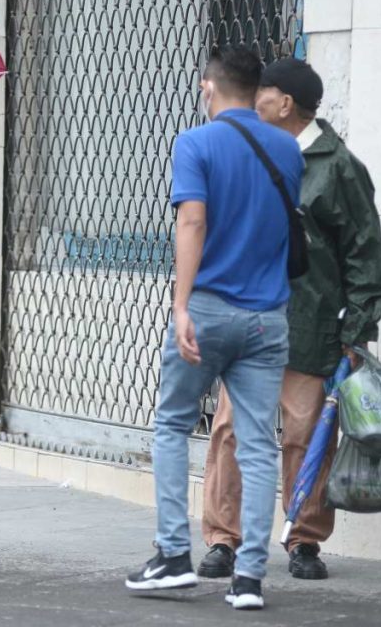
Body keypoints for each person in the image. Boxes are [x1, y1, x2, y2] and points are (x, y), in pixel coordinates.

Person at [198, 57, 381, 582]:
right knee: (231, 432)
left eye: (260, 92)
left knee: (305, 436)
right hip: (247, 317)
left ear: (285, 103)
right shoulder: (246, 150)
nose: (251, 100)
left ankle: (304, 540)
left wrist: (355, 331)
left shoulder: (338, 168)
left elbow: (365, 254)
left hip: (310, 327)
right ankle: (223, 539)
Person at [126, 45, 303, 611]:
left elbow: (192, 219)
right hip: (267, 317)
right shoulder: (287, 147)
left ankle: (174, 557)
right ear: (258, 90)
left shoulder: (194, 142)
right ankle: (249, 578)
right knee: (257, 444)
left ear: (208, 87)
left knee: (173, 423)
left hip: (208, 309)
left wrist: (181, 307)